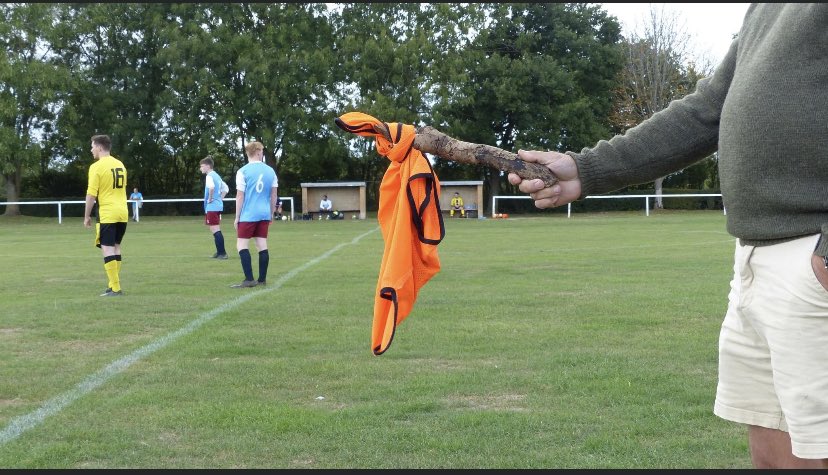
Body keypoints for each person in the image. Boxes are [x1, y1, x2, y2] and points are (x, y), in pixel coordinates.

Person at [507, 4, 828, 468]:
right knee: (775, 455)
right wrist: (586, 169)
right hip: (755, 260)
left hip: (812, 258)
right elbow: (705, 112)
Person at [83, 134, 128, 297]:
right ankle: (112, 285)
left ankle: (115, 288)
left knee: (107, 248)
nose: (91, 150)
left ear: (99, 147)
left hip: (108, 213)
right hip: (123, 212)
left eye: (92, 146)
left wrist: (86, 216)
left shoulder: (96, 167)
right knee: (116, 246)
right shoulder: (120, 164)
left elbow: (91, 195)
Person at [231, 141, 278, 288]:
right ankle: (262, 280)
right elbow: (274, 195)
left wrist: (237, 217)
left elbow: (240, 196)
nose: (262, 153)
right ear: (258, 152)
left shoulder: (242, 171)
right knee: (261, 245)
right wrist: (271, 213)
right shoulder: (271, 171)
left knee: (241, 245)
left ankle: (249, 279)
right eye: (262, 151)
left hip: (248, 214)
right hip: (264, 214)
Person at [199, 157, 229, 259]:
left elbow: (211, 187)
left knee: (215, 229)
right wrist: (219, 199)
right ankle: (219, 252)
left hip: (212, 207)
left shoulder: (209, 176)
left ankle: (222, 253)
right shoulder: (217, 176)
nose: (201, 168)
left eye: (202, 166)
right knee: (215, 229)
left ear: (208, 166)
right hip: (217, 206)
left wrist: (211, 198)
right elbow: (226, 188)